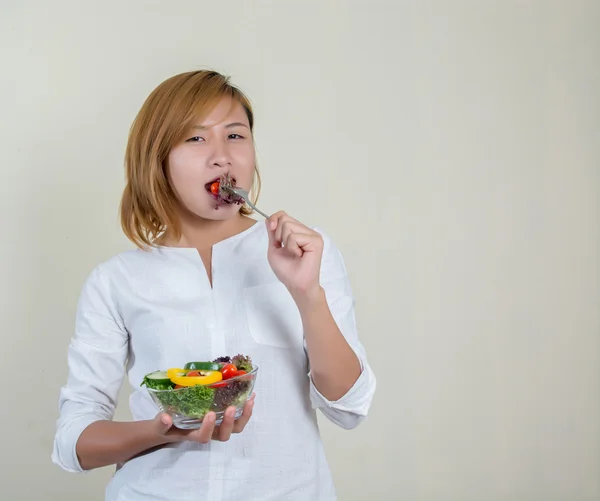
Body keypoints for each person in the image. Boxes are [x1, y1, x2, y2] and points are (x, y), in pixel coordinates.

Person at [51, 70, 376, 501]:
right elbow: (73, 442)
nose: (222, 157)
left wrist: (307, 294)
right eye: (196, 138)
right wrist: (165, 431)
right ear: (158, 157)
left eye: (236, 136)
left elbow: (348, 406)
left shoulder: (305, 253)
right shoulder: (116, 281)